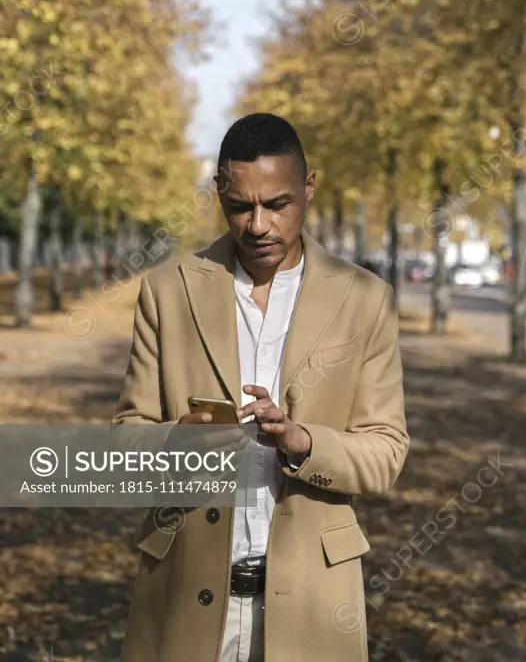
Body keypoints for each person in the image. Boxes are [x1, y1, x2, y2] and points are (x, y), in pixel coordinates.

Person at [113, 112, 409, 662]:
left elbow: (386, 452)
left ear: (309, 187)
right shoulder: (166, 292)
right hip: (184, 602)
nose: (257, 225)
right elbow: (123, 443)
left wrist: (304, 443)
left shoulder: (364, 298)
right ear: (219, 194)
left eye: (277, 205)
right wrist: (177, 443)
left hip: (314, 610)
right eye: (239, 206)